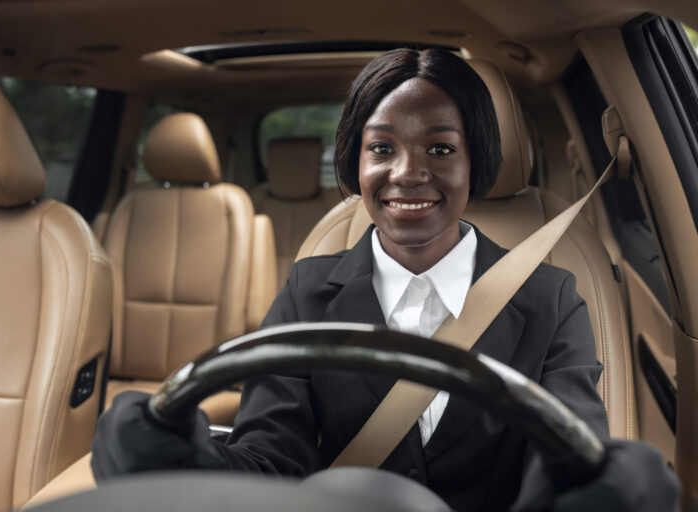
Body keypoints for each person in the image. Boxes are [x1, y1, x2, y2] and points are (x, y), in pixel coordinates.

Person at [91, 48, 679, 511]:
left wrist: (601, 489)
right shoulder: (307, 289)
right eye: (382, 148)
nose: (408, 174)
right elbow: (273, 461)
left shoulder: (550, 298)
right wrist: (186, 459)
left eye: (441, 148)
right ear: (356, 163)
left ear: (477, 162)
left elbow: (568, 457)